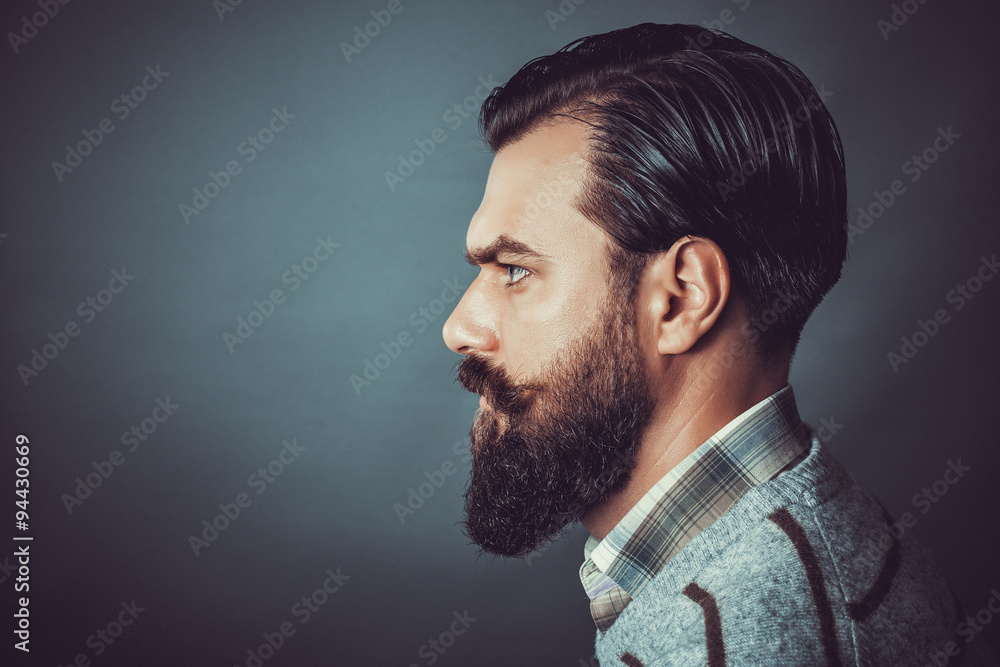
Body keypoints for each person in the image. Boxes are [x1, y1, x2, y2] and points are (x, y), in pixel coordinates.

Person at [441, 22, 996, 666]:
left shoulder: (740, 637)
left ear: (682, 298)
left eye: (516, 271)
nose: (460, 328)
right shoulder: (816, 537)